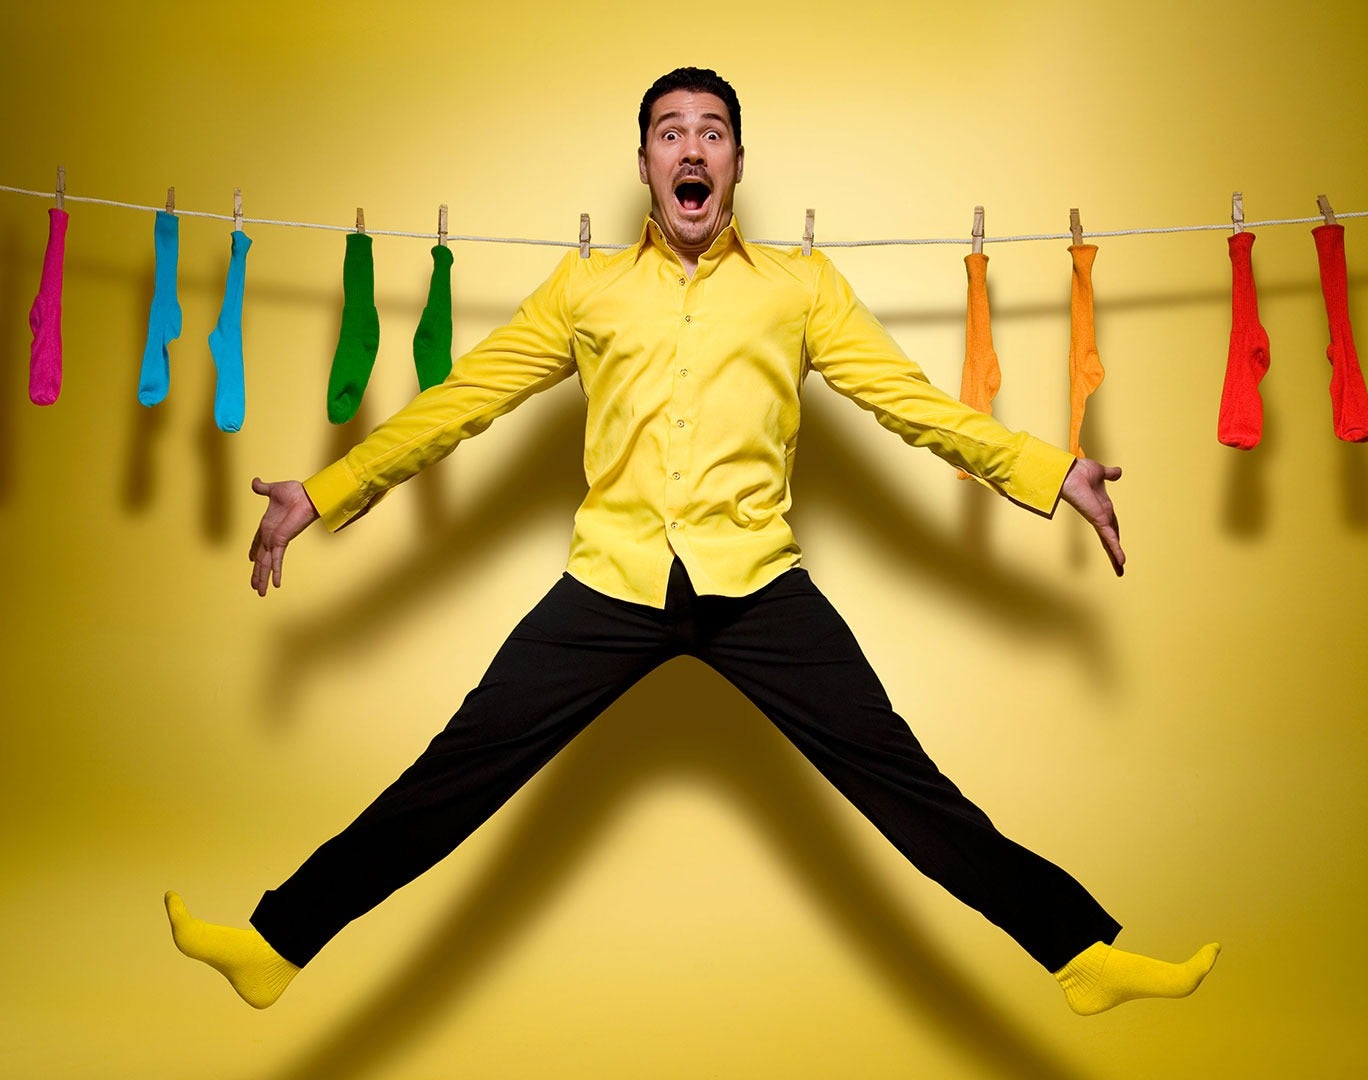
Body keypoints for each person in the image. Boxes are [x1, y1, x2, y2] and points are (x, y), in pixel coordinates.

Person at [165, 67, 1219, 1017]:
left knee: (904, 783)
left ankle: (1079, 953)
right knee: (456, 774)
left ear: (737, 162)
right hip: (611, 583)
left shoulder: (801, 287)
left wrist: (1049, 470)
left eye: (711, 132)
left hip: (756, 584)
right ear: (645, 164)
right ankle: (276, 944)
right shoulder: (585, 289)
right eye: (670, 133)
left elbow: (911, 403)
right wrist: (326, 491)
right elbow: (464, 400)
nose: (691, 149)